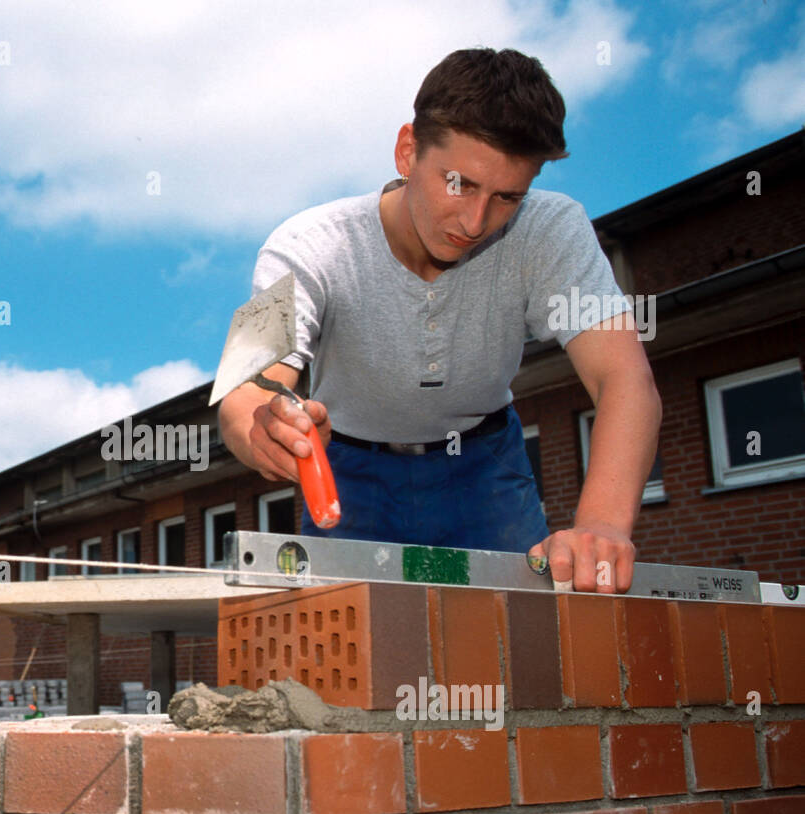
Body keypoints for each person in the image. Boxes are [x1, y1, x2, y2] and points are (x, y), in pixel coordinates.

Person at [219, 47, 661, 595]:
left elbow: (624, 380)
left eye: (507, 197)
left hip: (485, 471)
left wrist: (601, 525)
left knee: (518, 657)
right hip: (350, 477)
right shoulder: (301, 245)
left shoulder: (554, 229)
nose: (475, 222)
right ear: (408, 151)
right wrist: (262, 430)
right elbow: (246, 393)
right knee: (352, 667)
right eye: (459, 184)